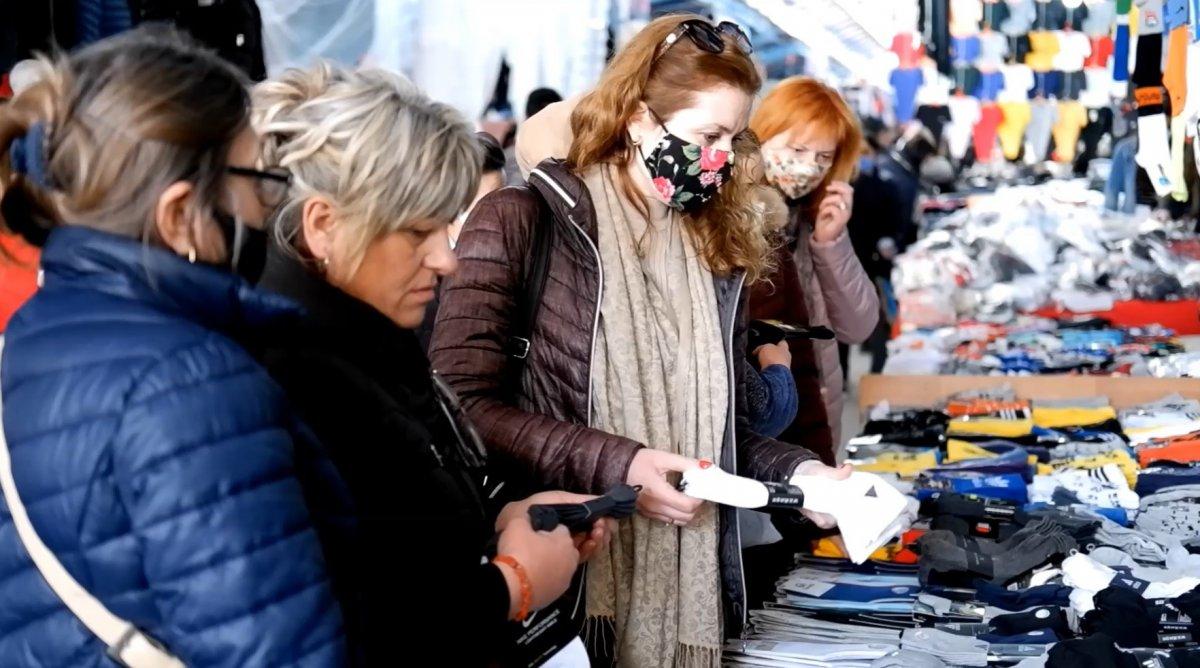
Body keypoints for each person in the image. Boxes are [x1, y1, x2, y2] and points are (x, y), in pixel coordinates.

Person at [431, 15, 849, 666]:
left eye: (732, 140)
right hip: (564, 590)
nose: (718, 158)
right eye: (706, 135)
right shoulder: (521, 222)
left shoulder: (716, 250)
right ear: (637, 117)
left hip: (698, 594)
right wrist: (621, 463)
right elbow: (459, 407)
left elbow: (724, 438)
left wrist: (805, 478)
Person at [0, 27, 347, 665]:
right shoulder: (190, 379)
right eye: (256, 180)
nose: (270, 205)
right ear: (180, 215)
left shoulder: (34, 332)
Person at [251, 63, 610, 666]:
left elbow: (395, 537)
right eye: (419, 233)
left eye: (446, 227)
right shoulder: (285, 375)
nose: (446, 260)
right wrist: (513, 582)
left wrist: (501, 520)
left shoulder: (365, 338)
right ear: (323, 226)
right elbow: (341, 620)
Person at [749, 76, 880, 454]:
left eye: (824, 158)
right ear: (762, 135)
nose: (809, 167)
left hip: (815, 419)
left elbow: (858, 327)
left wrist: (831, 244)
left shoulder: (812, 223)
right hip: (759, 431)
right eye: (798, 149)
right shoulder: (733, 223)